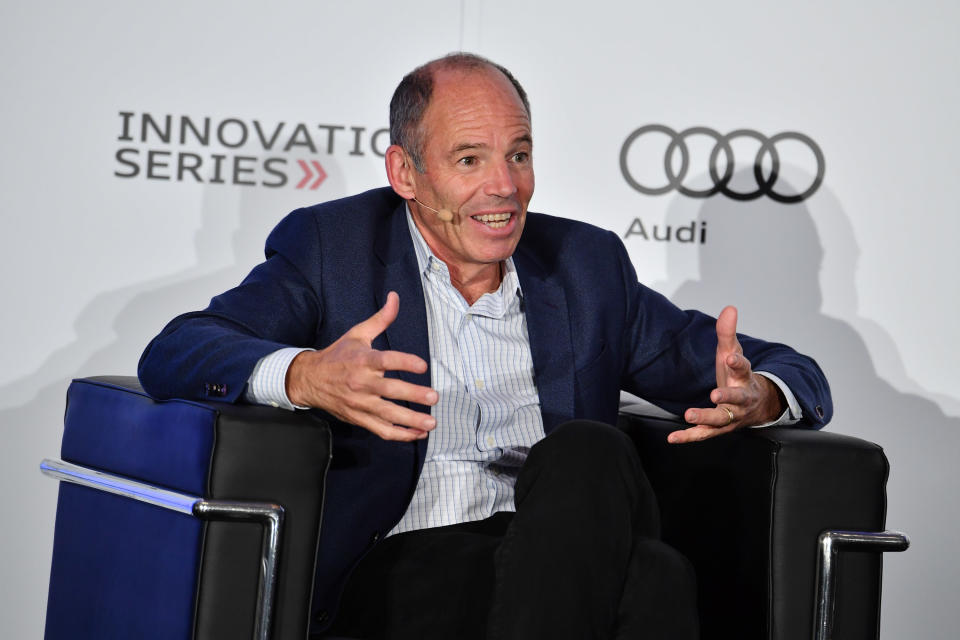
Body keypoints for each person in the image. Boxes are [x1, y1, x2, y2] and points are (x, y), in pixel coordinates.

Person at [138, 53, 831, 639]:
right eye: (470, 159)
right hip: (402, 558)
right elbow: (180, 348)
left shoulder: (585, 267)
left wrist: (763, 394)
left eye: (519, 155)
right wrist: (306, 375)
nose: (505, 186)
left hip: (560, 531)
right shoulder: (333, 250)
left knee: (588, 449)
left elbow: (777, 368)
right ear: (406, 173)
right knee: (657, 581)